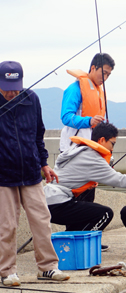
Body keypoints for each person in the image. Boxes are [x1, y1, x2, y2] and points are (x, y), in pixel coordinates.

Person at [44, 122, 126, 250]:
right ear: (102, 140)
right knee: (105, 214)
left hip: (48, 200)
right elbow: (120, 180)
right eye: (112, 143)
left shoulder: (78, 149)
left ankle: (73, 237)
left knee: (88, 191)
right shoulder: (92, 157)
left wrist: (87, 183)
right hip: (57, 204)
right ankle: (77, 245)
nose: (112, 148)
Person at [0, 61, 70, 286]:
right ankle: (7, 271)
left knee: (42, 220)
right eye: (6, 87)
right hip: (3, 175)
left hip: (31, 171)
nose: (11, 92)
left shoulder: (31, 99)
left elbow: (38, 134)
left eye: (15, 87)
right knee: (7, 225)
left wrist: (44, 163)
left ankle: (48, 267)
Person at [59, 53, 115, 152]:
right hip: (73, 148)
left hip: (92, 148)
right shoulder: (74, 89)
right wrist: (89, 121)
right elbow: (66, 117)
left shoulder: (99, 92)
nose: (105, 78)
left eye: (108, 75)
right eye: (103, 73)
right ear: (93, 68)